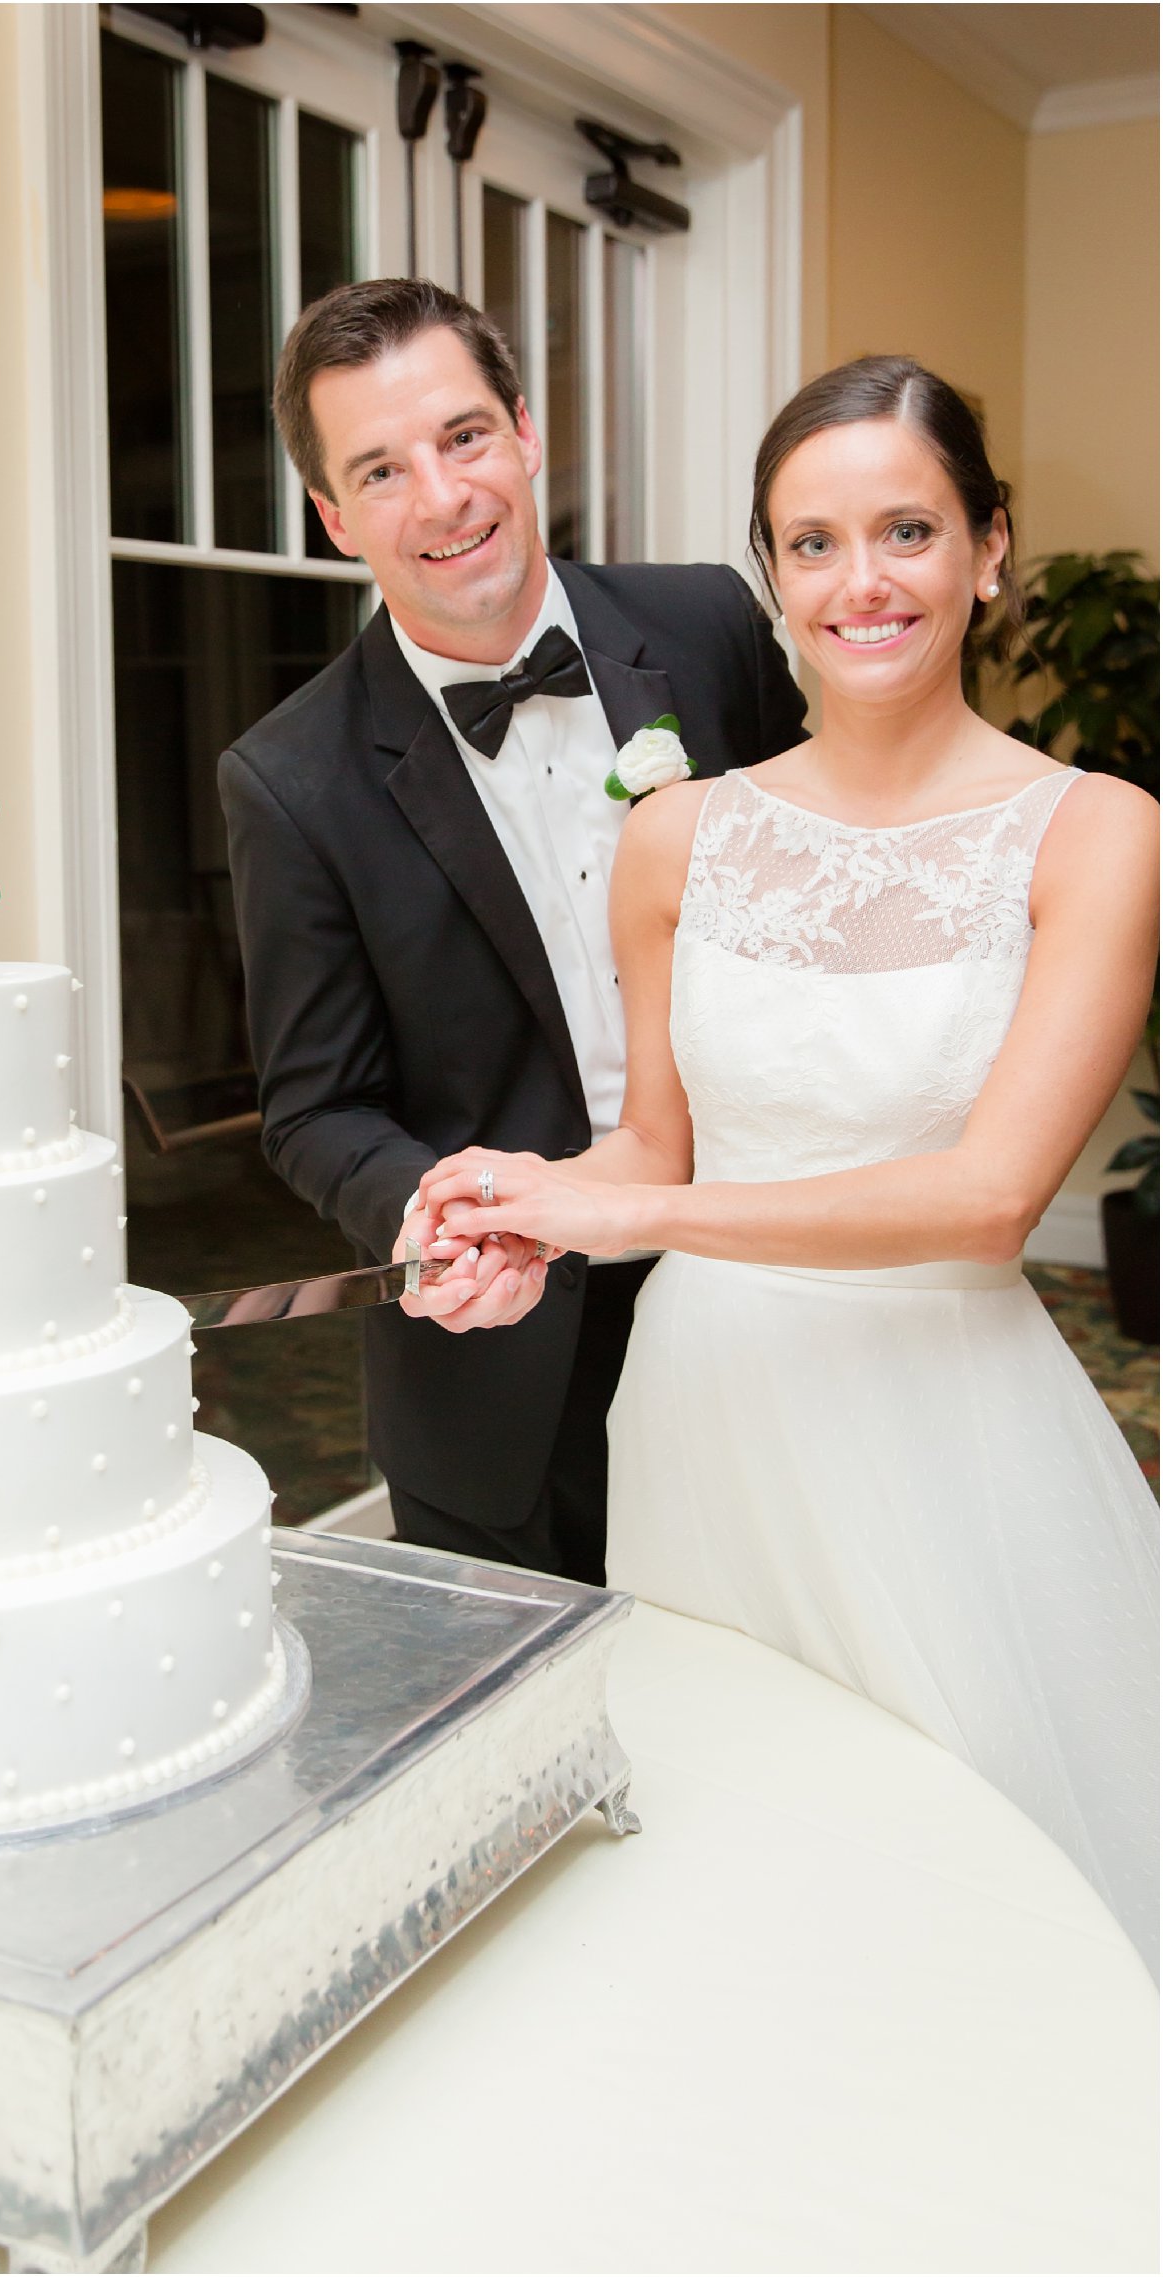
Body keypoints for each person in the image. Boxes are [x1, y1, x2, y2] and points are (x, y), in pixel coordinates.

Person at [417, 355, 1160, 1972]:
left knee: (992, 1890)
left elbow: (987, 1198)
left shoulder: (1095, 830)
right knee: (748, 1864)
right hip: (707, 1414)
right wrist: (523, 1210)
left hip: (944, 1430)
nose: (861, 581)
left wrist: (631, 1208)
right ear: (772, 576)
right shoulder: (680, 834)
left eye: (906, 528)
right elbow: (655, 1142)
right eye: (811, 543)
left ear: (989, 546)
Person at [219, 279, 805, 1585]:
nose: (441, 496)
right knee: (551, 1757)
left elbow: (824, 887)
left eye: (464, 436)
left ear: (526, 432)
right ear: (332, 516)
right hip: (501, 1362)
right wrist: (432, 1216)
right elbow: (315, 1109)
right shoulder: (289, 778)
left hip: (760, 1280)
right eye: (381, 468)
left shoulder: (710, 625)